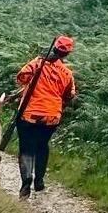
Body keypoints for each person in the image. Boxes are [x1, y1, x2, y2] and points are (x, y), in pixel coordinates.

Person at [15, 35, 76, 198]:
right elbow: (70, 95)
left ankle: (26, 181)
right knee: (42, 145)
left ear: (54, 47)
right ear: (67, 54)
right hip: (52, 117)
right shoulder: (67, 73)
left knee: (26, 148)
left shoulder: (36, 63)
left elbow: (21, 77)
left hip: (29, 114)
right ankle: (39, 181)